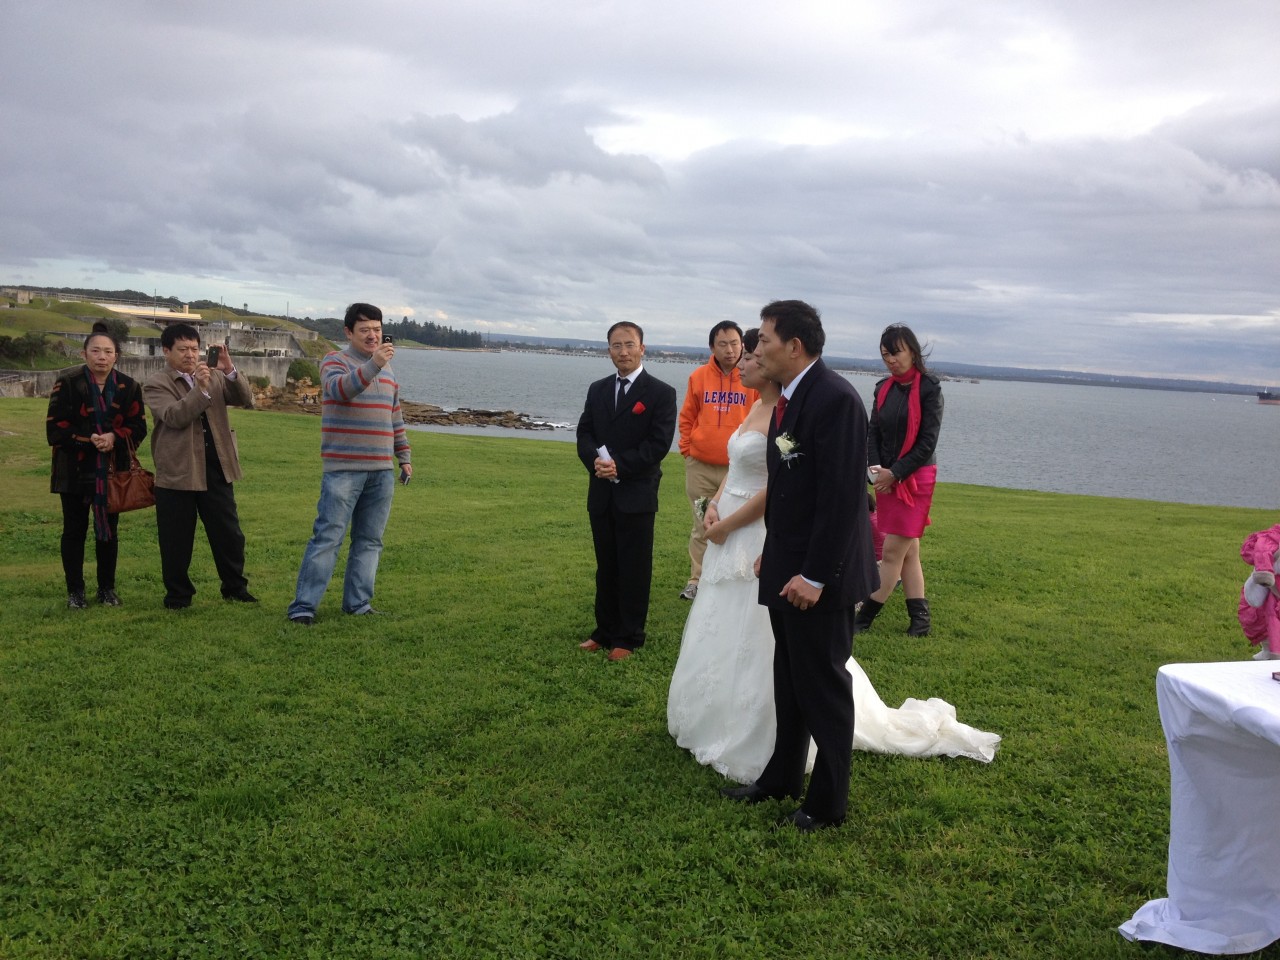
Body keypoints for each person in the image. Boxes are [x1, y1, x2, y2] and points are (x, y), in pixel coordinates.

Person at [668, 333, 999, 777]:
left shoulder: (826, 401)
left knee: (786, 651)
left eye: (756, 348)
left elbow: (802, 484)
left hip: (767, 537)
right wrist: (716, 505)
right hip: (746, 532)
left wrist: (735, 526)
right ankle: (735, 726)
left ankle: (789, 757)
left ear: (790, 348)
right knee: (744, 634)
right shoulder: (765, 406)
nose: (744, 361)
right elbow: (752, 467)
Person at [720, 300, 878, 832]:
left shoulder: (834, 399)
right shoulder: (790, 399)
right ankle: (781, 777)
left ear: (795, 345)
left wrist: (813, 574)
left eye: (763, 339)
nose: (755, 348)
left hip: (822, 578)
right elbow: (791, 482)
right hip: (788, 562)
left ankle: (828, 803)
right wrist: (779, 550)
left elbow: (840, 499)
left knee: (823, 689)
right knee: (787, 681)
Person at [287, 303, 412, 625]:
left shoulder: (387, 369)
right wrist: (373, 364)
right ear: (348, 333)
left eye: (377, 329)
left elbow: (393, 414)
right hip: (343, 468)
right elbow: (338, 390)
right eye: (365, 330)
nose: (373, 335)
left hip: (381, 470)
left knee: (370, 541)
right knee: (327, 538)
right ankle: (303, 607)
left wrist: (404, 455)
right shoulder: (334, 361)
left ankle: (358, 604)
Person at [575, 321, 677, 661]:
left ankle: (629, 637)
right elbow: (585, 434)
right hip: (601, 493)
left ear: (642, 348)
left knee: (634, 567)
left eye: (629, 344)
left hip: (637, 494)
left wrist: (621, 464)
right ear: (609, 351)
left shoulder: (661, 393)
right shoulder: (597, 389)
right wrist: (596, 462)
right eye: (616, 345)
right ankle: (603, 631)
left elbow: (658, 444)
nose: (623, 351)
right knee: (606, 566)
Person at [143, 322, 256, 609]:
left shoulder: (214, 376)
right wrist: (201, 390)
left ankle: (235, 587)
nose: (190, 355)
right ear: (167, 351)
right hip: (178, 469)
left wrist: (230, 370)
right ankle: (178, 596)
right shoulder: (157, 383)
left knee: (229, 533)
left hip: (217, 466)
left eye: (195, 349)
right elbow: (174, 416)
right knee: (176, 539)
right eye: (183, 349)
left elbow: (245, 399)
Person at [45, 322, 148, 608]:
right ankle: (75, 592)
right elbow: (55, 429)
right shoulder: (67, 382)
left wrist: (114, 437)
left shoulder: (129, 387)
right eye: (96, 351)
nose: (102, 357)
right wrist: (88, 439)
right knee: (74, 530)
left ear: (116, 355)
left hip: (112, 472)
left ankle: (106, 589)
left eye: (108, 351)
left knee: (108, 531)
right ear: (84, 353)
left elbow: (138, 426)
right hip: (75, 469)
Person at [855, 324, 944, 637]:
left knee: (892, 552)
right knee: (909, 552)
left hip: (915, 478)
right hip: (886, 478)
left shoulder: (930, 388)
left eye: (896, 352)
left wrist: (897, 472)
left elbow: (927, 442)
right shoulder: (883, 388)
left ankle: (863, 618)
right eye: (885, 355)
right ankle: (920, 622)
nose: (890, 360)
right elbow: (873, 431)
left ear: (912, 351)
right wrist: (877, 469)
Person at [677, 321, 758, 601]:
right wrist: (688, 447)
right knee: (702, 523)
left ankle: (734, 576)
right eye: (722, 344)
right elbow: (687, 416)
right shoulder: (699, 377)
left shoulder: (752, 378)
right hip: (700, 467)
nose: (730, 350)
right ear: (712, 347)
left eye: (735, 343)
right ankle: (697, 578)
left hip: (736, 470)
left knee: (736, 522)